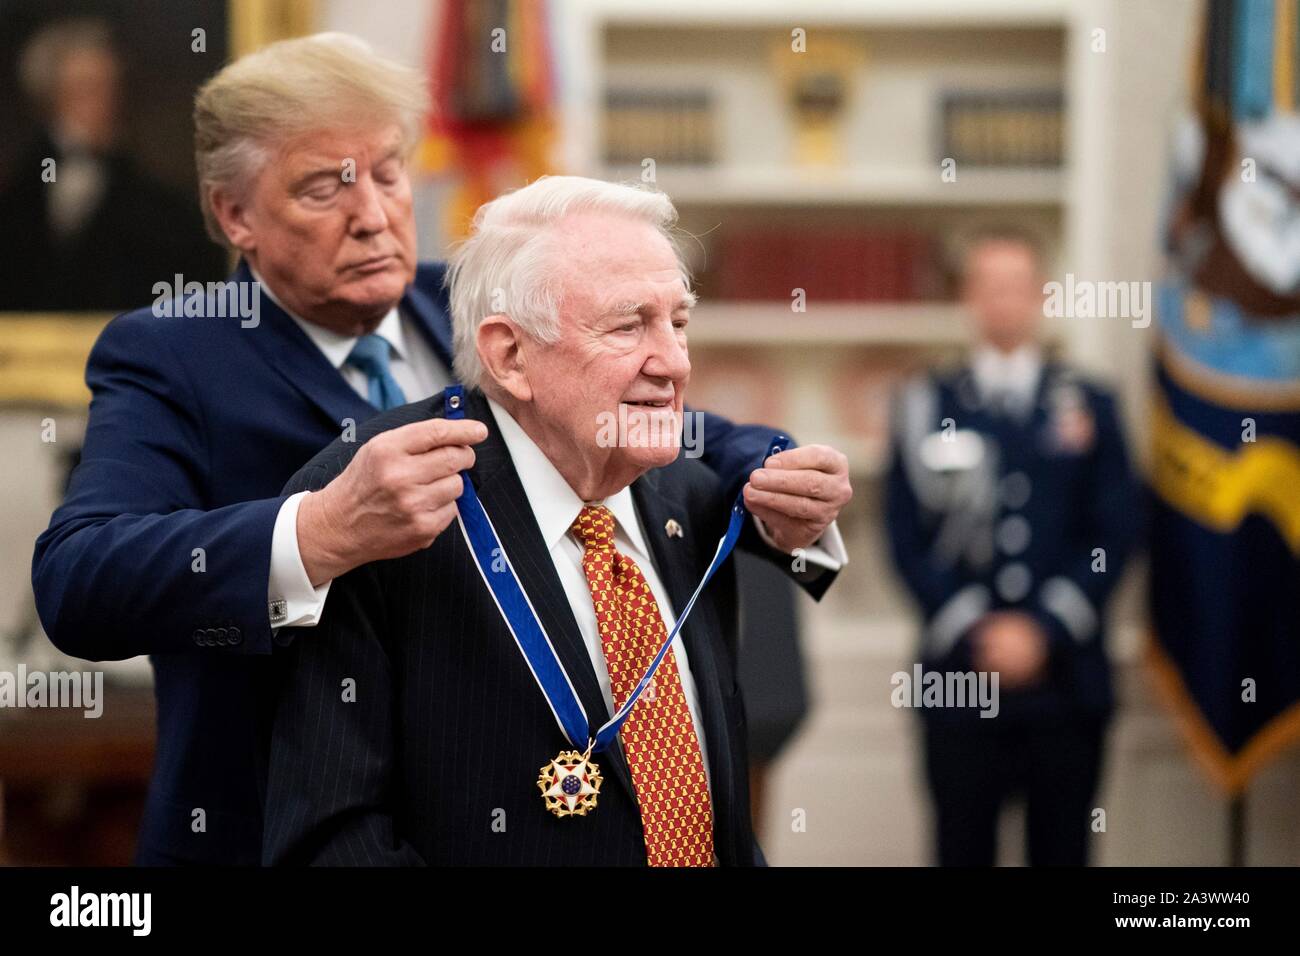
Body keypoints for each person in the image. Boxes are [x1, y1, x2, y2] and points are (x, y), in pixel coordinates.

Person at [31, 34, 848, 866]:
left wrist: (767, 467)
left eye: (388, 172)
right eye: (324, 188)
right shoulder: (174, 352)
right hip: (273, 828)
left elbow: (640, 400)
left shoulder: (458, 296)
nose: (374, 214)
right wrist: (316, 533)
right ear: (236, 215)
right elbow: (79, 579)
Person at [262, 176, 853, 865]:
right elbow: (332, 841)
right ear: (510, 355)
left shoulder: (690, 493)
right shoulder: (375, 502)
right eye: (629, 325)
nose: (674, 362)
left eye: (680, 321)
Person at [884, 229, 1141, 866]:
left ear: (1040, 296)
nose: (1003, 301)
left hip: (1066, 680)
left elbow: (1117, 531)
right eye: (988, 286)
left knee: (1063, 851)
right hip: (960, 680)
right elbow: (904, 534)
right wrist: (978, 626)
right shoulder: (925, 404)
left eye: (1017, 286)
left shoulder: (1091, 403)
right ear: (968, 297)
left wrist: (1044, 629)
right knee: (960, 850)